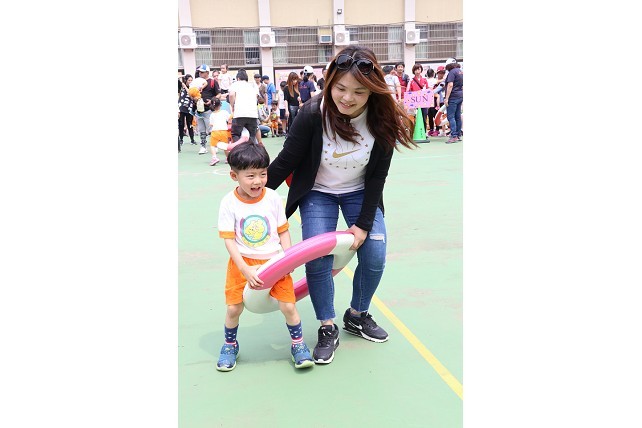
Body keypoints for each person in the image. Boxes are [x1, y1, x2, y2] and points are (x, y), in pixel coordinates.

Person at [266, 45, 417, 365]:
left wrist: (363, 225)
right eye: (341, 89)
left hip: (360, 191)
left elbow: (378, 177)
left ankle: (357, 315)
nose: (348, 98)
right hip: (317, 192)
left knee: (374, 254)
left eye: (359, 92)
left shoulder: (382, 119)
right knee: (317, 259)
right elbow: (286, 161)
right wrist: (252, 200)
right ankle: (327, 325)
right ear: (330, 82)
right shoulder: (312, 113)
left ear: (373, 91)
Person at [216, 142, 314, 371]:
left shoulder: (272, 198)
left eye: (262, 174)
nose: (258, 181)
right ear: (234, 176)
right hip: (243, 264)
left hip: (275, 262)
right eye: (250, 176)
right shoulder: (228, 202)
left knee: (288, 306)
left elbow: (283, 231)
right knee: (233, 309)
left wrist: (288, 258)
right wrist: (244, 268)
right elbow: (229, 240)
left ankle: (298, 344)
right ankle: (230, 345)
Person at [228, 69, 260, 144]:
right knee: (252, 135)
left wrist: (232, 105)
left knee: (236, 134)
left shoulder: (235, 84)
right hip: (252, 114)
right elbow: (256, 97)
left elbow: (231, 95)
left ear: (238, 78)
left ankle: (239, 149)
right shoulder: (253, 85)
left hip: (239, 113)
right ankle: (251, 150)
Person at [406, 63, 430, 139]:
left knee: (424, 116)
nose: (417, 71)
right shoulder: (411, 81)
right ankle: (414, 132)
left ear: (421, 70)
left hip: (423, 102)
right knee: (414, 117)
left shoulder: (424, 80)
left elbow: (428, 90)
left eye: (419, 69)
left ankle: (424, 132)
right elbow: (408, 91)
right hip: (414, 102)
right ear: (413, 71)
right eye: (416, 69)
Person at [444, 58, 463, 144]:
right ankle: (458, 135)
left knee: (451, 116)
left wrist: (446, 98)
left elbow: (450, 85)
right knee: (457, 116)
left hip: (453, 97)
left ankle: (453, 135)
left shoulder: (452, 72)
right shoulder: (460, 71)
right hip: (460, 95)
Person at [208, 98, 231, 166]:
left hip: (215, 131)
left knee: (212, 145)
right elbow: (229, 119)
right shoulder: (224, 112)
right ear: (220, 105)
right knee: (225, 146)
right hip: (224, 131)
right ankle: (228, 158)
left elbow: (211, 124)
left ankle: (214, 157)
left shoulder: (212, 114)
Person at [178, 75, 197, 150]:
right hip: (181, 106)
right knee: (181, 124)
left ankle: (192, 139)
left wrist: (185, 86)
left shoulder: (193, 88)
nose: (190, 81)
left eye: (191, 80)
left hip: (189, 107)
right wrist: (182, 76)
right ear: (186, 80)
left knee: (190, 124)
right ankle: (181, 139)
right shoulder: (181, 86)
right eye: (189, 80)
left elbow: (191, 94)